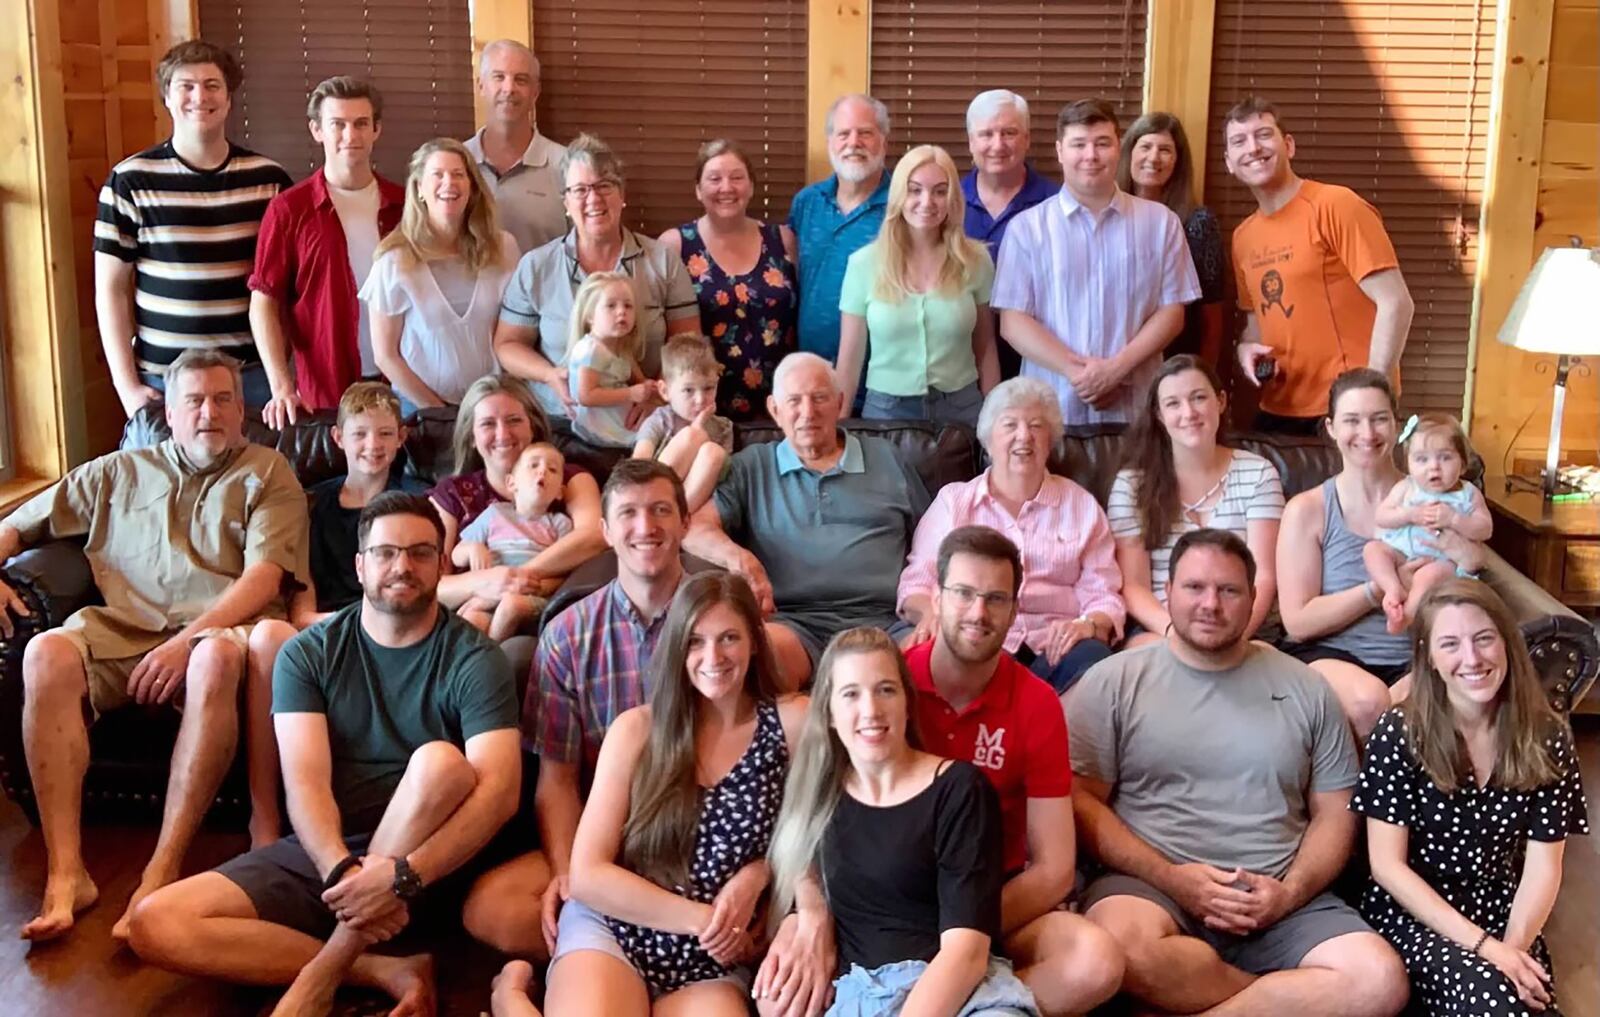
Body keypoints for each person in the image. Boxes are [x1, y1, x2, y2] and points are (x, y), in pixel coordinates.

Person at [127, 492, 521, 1017]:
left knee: (440, 763)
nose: (402, 566)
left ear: (440, 564)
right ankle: (384, 968)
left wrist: (401, 877)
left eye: (420, 553)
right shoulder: (308, 653)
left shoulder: (475, 658)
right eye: (385, 552)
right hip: (333, 852)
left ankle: (321, 975)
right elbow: (307, 784)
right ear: (360, 566)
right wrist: (342, 873)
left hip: (438, 861)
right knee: (154, 923)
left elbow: (499, 794)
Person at [0, 349, 304, 941]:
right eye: (195, 400)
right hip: (124, 629)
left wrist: (184, 643)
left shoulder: (269, 473)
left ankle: (160, 870)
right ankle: (67, 873)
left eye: (223, 400)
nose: (209, 413)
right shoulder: (115, 472)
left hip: (221, 631)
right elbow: (17, 525)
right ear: (169, 411)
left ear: (242, 411)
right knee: (46, 653)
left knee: (214, 657)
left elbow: (263, 580)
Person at [1069, 529, 1410, 1017]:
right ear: (1168, 592)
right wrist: (1171, 878)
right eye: (1194, 588)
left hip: (1280, 898)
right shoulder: (1115, 681)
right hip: (1154, 890)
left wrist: (1288, 894)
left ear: (1254, 600)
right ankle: (1279, 998)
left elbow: (1336, 814)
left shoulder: (1307, 689)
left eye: (1229, 590)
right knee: (1117, 946)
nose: (1211, 604)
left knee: (1379, 979)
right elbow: (1081, 801)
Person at [540, 573, 808, 1014]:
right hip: (620, 929)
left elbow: (827, 826)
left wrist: (762, 872)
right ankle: (511, 997)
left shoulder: (792, 723)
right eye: (695, 641)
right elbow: (587, 874)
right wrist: (707, 921)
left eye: (729, 638)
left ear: (755, 643)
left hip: (714, 962)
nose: (713, 657)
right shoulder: (637, 730)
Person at [459, 460, 694, 959]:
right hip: (605, 837)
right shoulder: (567, 635)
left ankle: (621, 953)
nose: (645, 527)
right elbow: (558, 782)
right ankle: (655, 952)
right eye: (628, 513)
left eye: (660, 511)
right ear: (606, 531)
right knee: (490, 908)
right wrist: (571, 876)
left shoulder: (721, 623)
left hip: (701, 832)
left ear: (685, 523)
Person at [903, 527, 1125, 1014]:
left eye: (996, 598)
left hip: (995, 900)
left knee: (1097, 961)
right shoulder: (891, 681)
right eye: (963, 594)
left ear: (1014, 608)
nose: (979, 613)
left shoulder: (1036, 702)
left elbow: (1054, 868)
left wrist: (960, 936)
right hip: (895, 901)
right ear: (936, 598)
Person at [765, 627, 1038, 1017]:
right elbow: (795, 860)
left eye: (885, 690)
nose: (871, 710)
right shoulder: (818, 796)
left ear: (907, 702)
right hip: (860, 995)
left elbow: (967, 951)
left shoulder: (959, 789)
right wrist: (810, 912)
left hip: (956, 991)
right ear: (828, 712)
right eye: (851, 694)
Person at [1353, 580, 1590, 1016]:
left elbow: (1543, 866)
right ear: (1430, 657)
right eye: (1451, 644)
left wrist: (1512, 951)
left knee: (1518, 999)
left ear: (1507, 643)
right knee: (1501, 1003)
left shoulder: (1547, 735)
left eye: (1484, 638)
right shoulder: (1399, 732)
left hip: (1505, 912)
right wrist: (1491, 953)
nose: (1472, 658)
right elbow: (1387, 867)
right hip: (1414, 913)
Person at [684, 352, 929, 684]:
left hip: (886, 623)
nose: (808, 413)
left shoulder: (888, 459)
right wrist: (738, 557)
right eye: (794, 401)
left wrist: (929, 606)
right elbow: (692, 528)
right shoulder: (752, 466)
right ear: (774, 409)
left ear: (840, 403)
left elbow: (932, 541)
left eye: (820, 398)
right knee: (757, 664)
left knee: (933, 664)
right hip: (794, 624)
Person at [1277, 370, 1486, 737]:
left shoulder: (1439, 496)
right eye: (1352, 421)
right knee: (1370, 702)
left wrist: (1453, 543)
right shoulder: (1308, 509)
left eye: (1379, 419)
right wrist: (1379, 590)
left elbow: (1473, 568)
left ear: (1396, 425)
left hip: (1418, 653)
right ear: (1331, 428)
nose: (1367, 433)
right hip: (1332, 655)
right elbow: (1298, 622)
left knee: (1414, 699)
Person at [95, 40, 293, 416]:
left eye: (212, 85)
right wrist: (127, 388)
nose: (199, 96)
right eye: (186, 85)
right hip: (164, 381)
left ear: (229, 98)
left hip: (249, 379)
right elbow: (111, 292)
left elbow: (286, 288)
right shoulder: (130, 181)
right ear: (167, 97)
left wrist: (281, 377)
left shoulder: (269, 180)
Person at [898, 378, 1124, 694]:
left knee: (1097, 663)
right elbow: (917, 584)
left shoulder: (1081, 506)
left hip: (1059, 647)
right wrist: (933, 615)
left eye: (1036, 426)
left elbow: (1104, 593)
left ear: (1051, 440)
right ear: (988, 440)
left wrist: (1087, 624)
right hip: (978, 636)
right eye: (1010, 425)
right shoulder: (954, 503)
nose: (1024, 436)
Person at [992, 98, 1201, 426]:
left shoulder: (1162, 222)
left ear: (1119, 147)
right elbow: (1013, 321)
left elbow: (1173, 313)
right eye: (1079, 144)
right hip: (1049, 412)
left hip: (1137, 409)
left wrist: (1116, 370)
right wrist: (1081, 375)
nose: (1090, 155)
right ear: (1060, 151)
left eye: (1102, 143)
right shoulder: (1026, 228)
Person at [1223, 96, 1415, 435]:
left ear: (1289, 145)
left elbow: (1396, 302)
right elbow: (1257, 319)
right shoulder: (1243, 237)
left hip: (1346, 409)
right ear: (1229, 162)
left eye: (1263, 135)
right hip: (1278, 408)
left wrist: (1372, 397)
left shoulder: (1335, 205)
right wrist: (1245, 348)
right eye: (1239, 141)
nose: (1253, 148)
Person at [494, 134, 700, 424]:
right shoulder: (536, 267)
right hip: (561, 428)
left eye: (604, 186)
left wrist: (657, 394)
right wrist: (549, 375)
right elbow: (507, 345)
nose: (593, 199)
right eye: (579, 189)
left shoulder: (663, 261)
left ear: (622, 194)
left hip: (646, 425)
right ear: (565, 201)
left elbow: (687, 344)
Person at [251, 76, 404, 428]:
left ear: (377, 130)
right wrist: (280, 386)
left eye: (361, 124)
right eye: (338, 124)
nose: (350, 136)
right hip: (324, 393)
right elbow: (264, 303)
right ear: (317, 130)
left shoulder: (404, 205)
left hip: (399, 385)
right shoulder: (289, 210)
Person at [1107, 355, 1282, 645]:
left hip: (1244, 629)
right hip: (1163, 629)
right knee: (1144, 653)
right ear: (1160, 416)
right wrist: (1177, 637)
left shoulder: (1258, 473)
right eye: (1173, 403)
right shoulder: (1132, 486)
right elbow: (1134, 586)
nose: (1188, 412)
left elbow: (1263, 576)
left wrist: (1233, 639)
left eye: (1198, 398)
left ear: (1221, 401)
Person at [428, 376, 606, 638]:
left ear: (532, 427)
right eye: (488, 424)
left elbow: (593, 537)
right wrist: (485, 583)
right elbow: (429, 583)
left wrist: (513, 579)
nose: (503, 434)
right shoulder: (451, 494)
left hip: (546, 618)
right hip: (472, 615)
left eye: (514, 420)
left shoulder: (568, 478)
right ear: (472, 437)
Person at [836, 144, 999, 426]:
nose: (927, 201)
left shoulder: (976, 260)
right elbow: (849, 360)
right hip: (886, 411)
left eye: (939, 191)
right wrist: (836, 428)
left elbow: (985, 348)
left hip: (963, 409)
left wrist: (996, 419)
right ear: (899, 195)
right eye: (915, 190)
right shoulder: (863, 264)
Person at [361, 138, 519, 413]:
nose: (449, 183)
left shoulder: (503, 249)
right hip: (422, 412)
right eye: (438, 175)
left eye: (459, 174)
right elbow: (386, 356)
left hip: (491, 407)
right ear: (419, 188)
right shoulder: (394, 260)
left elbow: (517, 332)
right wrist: (439, 413)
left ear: (472, 188)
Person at [659, 138, 798, 420]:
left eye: (737, 177)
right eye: (714, 179)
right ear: (698, 190)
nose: (726, 187)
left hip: (780, 403)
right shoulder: (675, 245)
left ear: (751, 187)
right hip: (702, 406)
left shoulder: (783, 239)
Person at [298, 382, 427, 623]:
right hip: (327, 625)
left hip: (396, 619)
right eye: (360, 434)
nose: (373, 444)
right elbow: (302, 611)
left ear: (401, 437)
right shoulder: (310, 504)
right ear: (338, 437)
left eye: (385, 433)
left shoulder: (418, 500)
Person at [961, 89, 1059, 382]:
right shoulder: (944, 204)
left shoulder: (1056, 204)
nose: (997, 144)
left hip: (1039, 363)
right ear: (970, 142)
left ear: (1027, 139)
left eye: (1009, 133)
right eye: (986, 134)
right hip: (961, 368)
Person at [1364, 413, 1492, 634]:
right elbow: (1381, 516)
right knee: (1372, 550)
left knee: (1428, 576)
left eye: (1445, 457)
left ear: (1463, 464)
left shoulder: (1467, 494)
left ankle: (1406, 618)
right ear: (1410, 464)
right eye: (1422, 459)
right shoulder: (1407, 487)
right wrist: (1409, 515)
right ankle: (1393, 590)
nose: (1434, 467)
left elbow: (1485, 529)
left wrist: (1454, 519)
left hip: (1441, 560)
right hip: (1402, 553)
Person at [788, 94, 892, 366]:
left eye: (865, 133)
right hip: (812, 371)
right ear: (830, 143)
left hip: (880, 377)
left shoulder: (904, 206)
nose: (853, 143)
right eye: (843, 133)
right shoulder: (806, 203)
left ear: (884, 141)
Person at [1117, 112, 1225, 368]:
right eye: (1145, 147)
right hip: (1113, 365)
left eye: (1165, 150)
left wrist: (1205, 375)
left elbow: (1212, 315)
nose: (1153, 158)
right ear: (1129, 154)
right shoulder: (1106, 217)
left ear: (1178, 161)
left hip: (1176, 365)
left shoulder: (1198, 223)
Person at [453, 443, 574, 640]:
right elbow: (456, 556)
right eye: (533, 465)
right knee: (472, 618)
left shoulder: (561, 524)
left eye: (552, 469)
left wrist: (534, 587)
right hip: (490, 592)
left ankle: (492, 659)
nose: (543, 470)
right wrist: (473, 548)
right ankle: (472, 666)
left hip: (533, 597)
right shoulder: (494, 513)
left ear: (560, 492)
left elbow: (567, 572)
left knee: (511, 605)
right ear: (511, 483)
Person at [466, 40, 568, 255]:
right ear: (480, 86)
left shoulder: (567, 166)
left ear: (535, 93)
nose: (509, 88)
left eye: (521, 80)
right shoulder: (455, 166)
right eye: (499, 77)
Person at [633, 333, 735, 513]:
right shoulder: (659, 420)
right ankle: (661, 513)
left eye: (708, 388)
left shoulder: (723, 428)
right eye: (688, 390)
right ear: (665, 391)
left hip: (694, 507)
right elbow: (639, 463)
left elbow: (723, 481)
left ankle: (677, 520)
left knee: (713, 453)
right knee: (692, 435)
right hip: (649, 496)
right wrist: (695, 433)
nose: (700, 399)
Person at [566, 271, 655, 447]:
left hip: (622, 419)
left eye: (628, 306)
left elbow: (640, 380)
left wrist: (650, 387)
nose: (621, 312)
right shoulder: (591, 350)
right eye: (611, 306)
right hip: (601, 429)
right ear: (590, 316)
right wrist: (631, 393)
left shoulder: (621, 348)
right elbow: (586, 396)